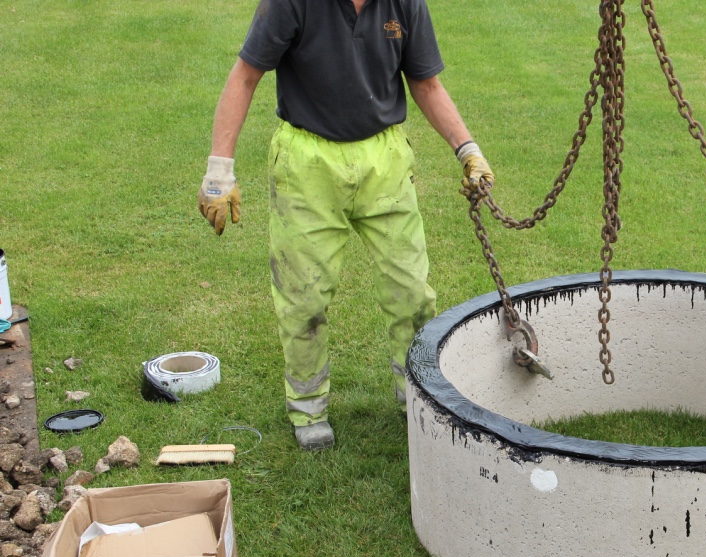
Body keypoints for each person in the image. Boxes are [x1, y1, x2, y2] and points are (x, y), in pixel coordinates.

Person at [198, 0, 494, 451]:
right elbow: (245, 75)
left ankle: (415, 398)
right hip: (306, 162)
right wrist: (219, 171)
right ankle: (308, 407)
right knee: (304, 297)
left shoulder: (405, 4)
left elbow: (427, 83)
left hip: (386, 160)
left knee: (411, 292)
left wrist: (468, 150)